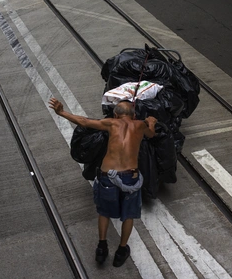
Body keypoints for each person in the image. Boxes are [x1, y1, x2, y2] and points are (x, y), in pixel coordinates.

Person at [48, 98, 156, 267]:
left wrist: (61, 112)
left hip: (108, 176)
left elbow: (84, 121)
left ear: (115, 114)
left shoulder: (111, 123)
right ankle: (121, 250)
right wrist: (151, 122)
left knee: (104, 212)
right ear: (134, 115)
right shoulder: (140, 125)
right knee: (129, 215)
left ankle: (102, 247)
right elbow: (151, 135)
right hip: (131, 177)